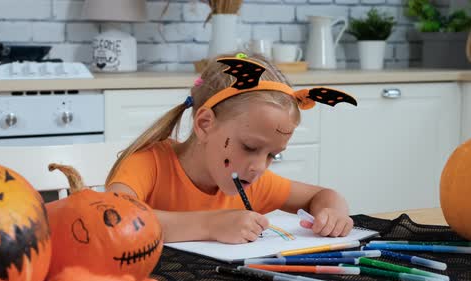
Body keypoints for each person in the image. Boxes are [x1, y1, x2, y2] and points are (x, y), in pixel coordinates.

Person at [105, 53, 358, 244]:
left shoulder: (252, 180)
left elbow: (324, 195)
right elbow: (113, 217)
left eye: (273, 154)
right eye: (250, 146)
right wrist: (210, 225)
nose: (259, 166)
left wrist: (332, 215)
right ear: (205, 125)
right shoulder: (149, 163)